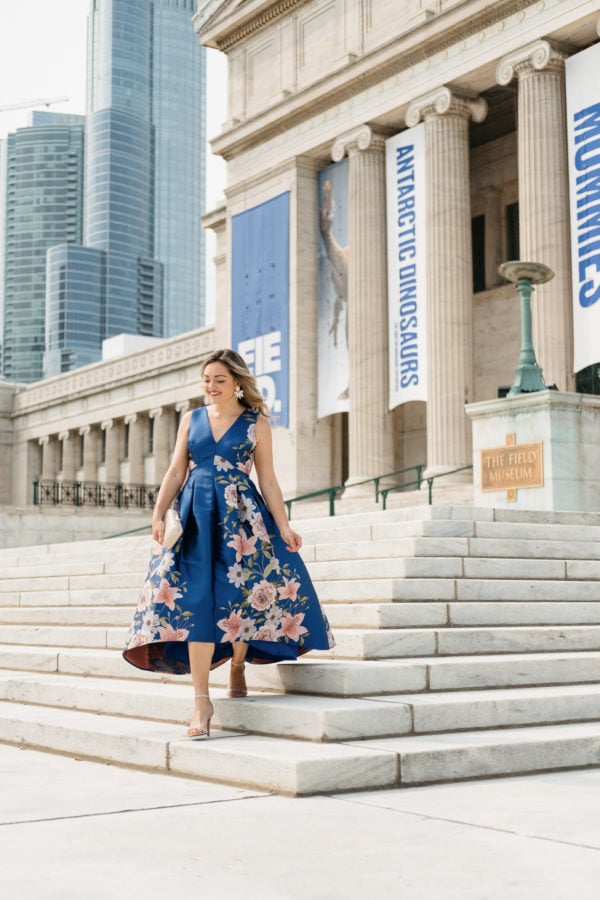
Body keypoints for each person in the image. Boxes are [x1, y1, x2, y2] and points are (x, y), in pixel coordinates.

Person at [123, 348, 335, 738]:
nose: (211, 386)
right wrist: (157, 514)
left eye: (219, 380)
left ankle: (238, 662)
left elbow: (268, 480)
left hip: (242, 518)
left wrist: (284, 526)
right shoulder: (192, 419)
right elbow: (175, 471)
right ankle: (201, 702)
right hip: (194, 517)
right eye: (206, 379)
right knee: (197, 602)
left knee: (241, 596)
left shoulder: (256, 424)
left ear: (238, 382)